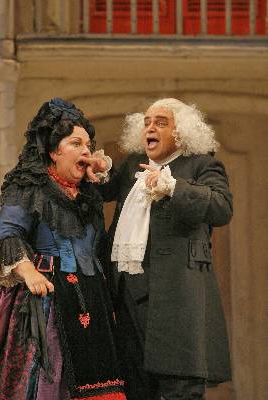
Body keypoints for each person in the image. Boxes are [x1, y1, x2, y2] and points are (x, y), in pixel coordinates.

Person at [0, 98, 126, 400]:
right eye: (76, 143)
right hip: (44, 301)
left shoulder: (88, 194)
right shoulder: (29, 186)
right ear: (52, 151)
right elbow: (6, 234)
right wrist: (28, 270)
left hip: (90, 300)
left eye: (89, 145)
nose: (86, 151)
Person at [98, 98, 233, 400]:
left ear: (180, 132)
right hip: (127, 293)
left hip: (175, 296)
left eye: (161, 122)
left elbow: (222, 208)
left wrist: (173, 187)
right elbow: (102, 191)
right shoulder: (133, 165)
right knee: (133, 385)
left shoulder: (201, 165)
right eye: (146, 122)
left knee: (179, 386)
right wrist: (97, 169)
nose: (150, 128)